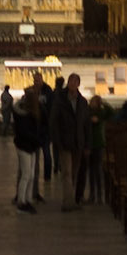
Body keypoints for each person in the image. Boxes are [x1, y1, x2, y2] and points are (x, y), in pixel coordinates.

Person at [51, 72, 90, 210]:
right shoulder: (60, 100)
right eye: (70, 81)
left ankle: (71, 198)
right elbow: (54, 121)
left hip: (78, 142)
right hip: (65, 141)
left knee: (74, 172)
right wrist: (57, 140)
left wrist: (87, 144)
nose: (72, 84)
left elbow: (86, 124)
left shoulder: (83, 101)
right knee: (66, 172)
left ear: (78, 84)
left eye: (75, 82)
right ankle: (68, 203)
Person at [11, 82, 41, 213]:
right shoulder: (23, 114)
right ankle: (21, 202)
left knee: (31, 174)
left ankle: (28, 199)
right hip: (24, 146)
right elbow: (24, 131)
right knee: (26, 174)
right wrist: (35, 138)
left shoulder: (33, 112)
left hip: (32, 146)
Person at [87, 91, 108, 205]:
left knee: (98, 170)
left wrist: (104, 102)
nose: (93, 103)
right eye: (92, 101)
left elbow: (111, 112)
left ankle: (100, 195)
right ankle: (92, 194)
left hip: (98, 144)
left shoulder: (101, 113)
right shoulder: (88, 112)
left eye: (95, 102)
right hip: (90, 143)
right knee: (91, 170)